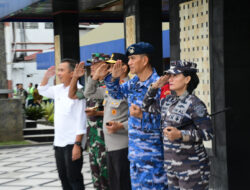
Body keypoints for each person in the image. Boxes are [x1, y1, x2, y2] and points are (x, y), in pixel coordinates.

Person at [101, 42, 167, 189]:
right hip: (135, 153)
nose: (129, 62)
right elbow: (116, 94)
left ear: (144, 60)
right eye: (129, 59)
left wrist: (143, 116)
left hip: (152, 156)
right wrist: (113, 78)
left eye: (132, 58)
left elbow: (167, 122)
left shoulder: (160, 85)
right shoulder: (134, 83)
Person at [142, 60, 214, 190]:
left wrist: (180, 134)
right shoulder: (168, 101)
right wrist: (154, 87)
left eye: (175, 75)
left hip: (192, 168)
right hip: (172, 166)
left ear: (187, 79)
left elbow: (208, 134)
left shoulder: (195, 104)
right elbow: (146, 106)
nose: (170, 79)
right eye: (170, 75)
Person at [71, 53, 131, 190]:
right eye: (108, 67)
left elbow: (139, 117)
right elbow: (88, 93)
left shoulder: (130, 88)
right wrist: (94, 77)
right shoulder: (110, 89)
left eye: (112, 67)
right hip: (110, 145)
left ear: (124, 68)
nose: (109, 70)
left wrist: (121, 125)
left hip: (123, 145)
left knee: (122, 184)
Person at [38, 58, 87, 190]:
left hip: (72, 142)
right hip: (58, 142)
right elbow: (42, 90)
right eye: (58, 70)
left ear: (72, 73)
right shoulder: (58, 89)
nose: (58, 73)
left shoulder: (80, 92)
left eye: (61, 70)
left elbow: (81, 119)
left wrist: (77, 144)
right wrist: (46, 77)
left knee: (74, 178)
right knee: (63, 178)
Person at [69, 53, 109, 190]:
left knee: (107, 179)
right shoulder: (92, 86)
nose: (92, 67)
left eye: (96, 64)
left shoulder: (111, 85)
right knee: (96, 178)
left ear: (106, 66)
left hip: (107, 140)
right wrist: (75, 77)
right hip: (93, 140)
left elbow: (120, 112)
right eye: (91, 64)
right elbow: (72, 95)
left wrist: (97, 113)